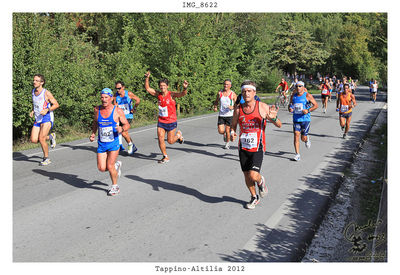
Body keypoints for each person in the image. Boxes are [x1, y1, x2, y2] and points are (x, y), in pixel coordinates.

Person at [230, 80, 282, 209]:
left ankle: (261, 181)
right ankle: (254, 197)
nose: (246, 94)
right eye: (244, 92)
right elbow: (233, 125)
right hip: (243, 146)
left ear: (254, 92)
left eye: (249, 91)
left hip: (258, 146)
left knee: (253, 175)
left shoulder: (262, 107)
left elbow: (279, 124)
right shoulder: (238, 109)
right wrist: (231, 132)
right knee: (247, 175)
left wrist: (273, 117)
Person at [89, 88, 130, 196]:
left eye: (106, 97)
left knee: (110, 165)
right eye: (102, 97)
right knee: (102, 168)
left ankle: (115, 186)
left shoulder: (117, 111)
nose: (104, 99)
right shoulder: (97, 110)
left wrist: (122, 129)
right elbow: (95, 122)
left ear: (111, 98)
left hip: (114, 143)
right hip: (102, 143)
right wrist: (93, 133)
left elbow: (127, 124)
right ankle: (117, 165)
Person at [144, 71, 188, 163]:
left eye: (164, 85)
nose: (162, 87)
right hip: (161, 121)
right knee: (160, 138)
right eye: (161, 85)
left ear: (167, 86)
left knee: (170, 141)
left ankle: (179, 135)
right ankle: (165, 156)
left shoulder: (171, 95)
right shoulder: (158, 94)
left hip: (171, 121)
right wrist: (147, 78)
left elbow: (182, 94)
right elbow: (148, 88)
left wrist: (185, 88)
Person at [29, 74, 59, 166]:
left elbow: (56, 104)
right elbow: (36, 103)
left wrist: (47, 109)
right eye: (34, 80)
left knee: (41, 138)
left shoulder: (46, 93)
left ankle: (46, 158)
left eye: (36, 80)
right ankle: (51, 137)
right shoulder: (33, 91)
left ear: (42, 82)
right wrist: (33, 111)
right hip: (38, 118)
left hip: (46, 117)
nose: (34, 82)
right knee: (34, 139)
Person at [288, 81, 318, 161]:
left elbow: (316, 105)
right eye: (297, 86)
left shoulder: (307, 96)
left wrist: (308, 110)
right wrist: (290, 108)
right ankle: (297, 154)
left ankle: (306, 138)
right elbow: (290, 105)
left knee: (303, 138)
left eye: (300, 86)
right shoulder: (293, 96)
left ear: (303, 87)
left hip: (305, 119)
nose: (298, 88)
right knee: (296, 134)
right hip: (296, 119)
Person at [113, 81, 140, 154]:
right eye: (116, 89)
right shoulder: (115, 96)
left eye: (119, 88)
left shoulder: (129, 94)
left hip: (128, 116)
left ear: (123, 87)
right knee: (121, 131)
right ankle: (129, 145)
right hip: (120, 116)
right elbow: (115, 105)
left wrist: (134, 108)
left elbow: (138, 100)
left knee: (124, 132)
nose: (118, 90)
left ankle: (130, 145)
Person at [213, 79, 237, 149]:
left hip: (230, 115)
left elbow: (237, 103)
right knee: (220, 131)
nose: (225, 86)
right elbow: (216, 101)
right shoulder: (220, 93)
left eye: (227, 84)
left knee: (227, 130)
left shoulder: (233, 94)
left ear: (230, 85)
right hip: (221, 115)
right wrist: (215, 107)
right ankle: (225, 134)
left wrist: (232, 107)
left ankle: (227, 143)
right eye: (224, 84)